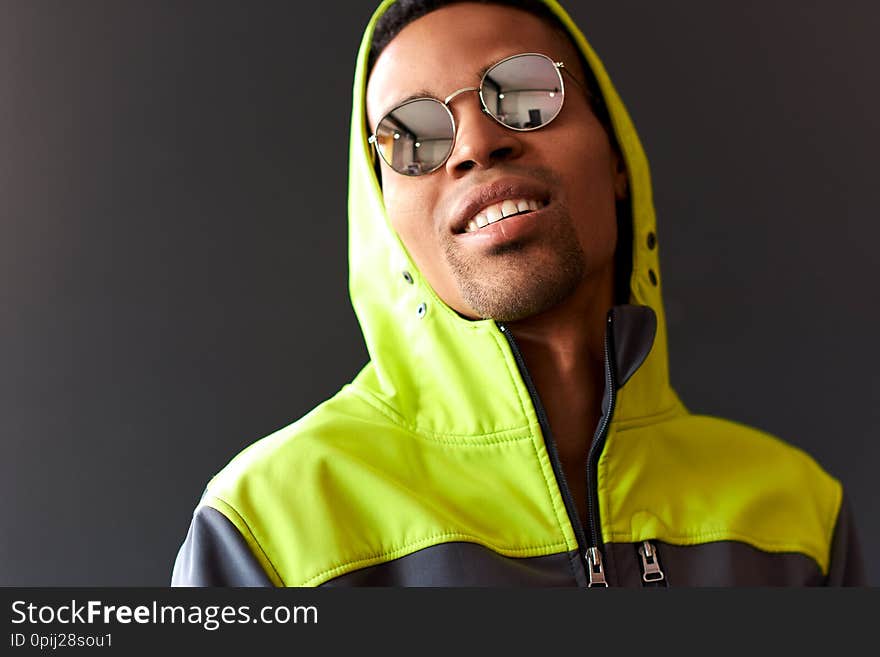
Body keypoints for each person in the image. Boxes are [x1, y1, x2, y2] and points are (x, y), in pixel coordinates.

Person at [171, 0, 864, 586]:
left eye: (527, 93)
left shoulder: (800, 517)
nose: (476, 142)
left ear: (617, 156)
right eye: (412, 137)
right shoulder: (265, 528)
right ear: (384, 215)